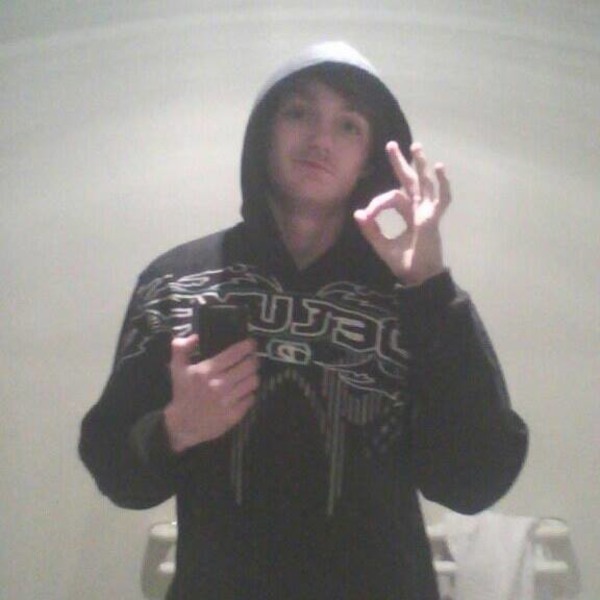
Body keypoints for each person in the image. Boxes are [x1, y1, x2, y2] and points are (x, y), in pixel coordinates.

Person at [79, 41, 528, 599]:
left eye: (348, 125)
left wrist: (430, 287)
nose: (320, 140)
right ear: (264, 133)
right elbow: (114, 469)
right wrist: (176, 429)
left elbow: (475, 482)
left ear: (370, 157)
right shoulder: (175, 282)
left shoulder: (414, 298)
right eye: (299, 113)